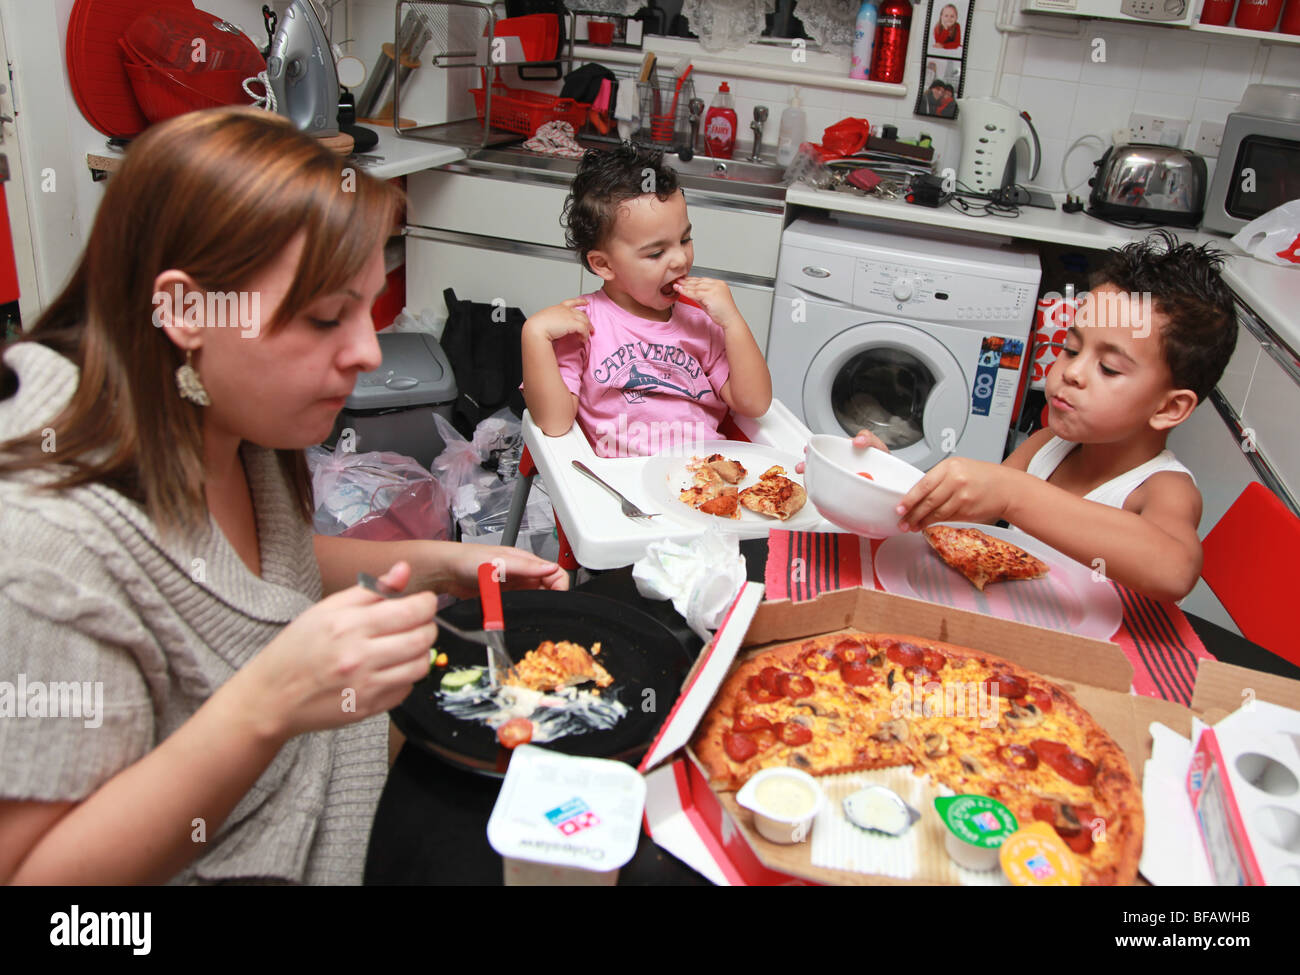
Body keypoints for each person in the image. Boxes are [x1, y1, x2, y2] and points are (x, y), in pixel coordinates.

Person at [0, 107, 567, 885]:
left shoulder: (227, 421)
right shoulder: (42, 553)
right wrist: (265, 703)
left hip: (343, 800)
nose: (368, 351)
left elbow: (259, 572)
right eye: (327, 316)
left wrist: (444, 562)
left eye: (365, 308)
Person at [893, 232, 1236, 603]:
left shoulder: (1161, 488)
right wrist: (885, 477)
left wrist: (1013, 493)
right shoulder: (1047, 446)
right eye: (1071, 350)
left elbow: (1174, 569)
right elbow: (964, 525)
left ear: (1169, 408)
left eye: (1108, 368)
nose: (1071, 372)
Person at [522, 144, 772, 458]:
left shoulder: (699, 323)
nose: (681, 259)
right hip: (617, 488)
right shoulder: (581, 324)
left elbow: (755, 404)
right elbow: (555, 424)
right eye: (656, 253)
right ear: (604, 265)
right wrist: (534, 335)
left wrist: (732, 321)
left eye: (685, 239)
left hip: (700, 477)